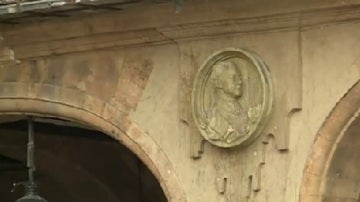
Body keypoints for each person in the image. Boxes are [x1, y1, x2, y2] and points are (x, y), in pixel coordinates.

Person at [204, 60, 248, 143]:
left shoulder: (241, 111)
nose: (239, 82)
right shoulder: (214, 121)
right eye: (234, 78)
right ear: (218, 83)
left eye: (239, 78)